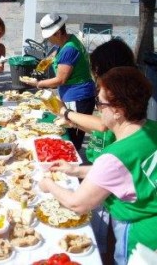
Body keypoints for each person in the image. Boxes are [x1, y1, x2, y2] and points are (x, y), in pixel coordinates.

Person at [39, 66, 157, 265]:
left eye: (100, 104)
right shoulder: (151, 130)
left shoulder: (114, 156)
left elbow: (78, 203)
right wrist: (76, 169)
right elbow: (128, 174)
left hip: (140, 239)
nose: (98, 109)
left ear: (118, 111)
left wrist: (48, 184)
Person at [54, 39, 137, 256]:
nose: (95, 76)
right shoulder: (118, 92)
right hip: (104, 166)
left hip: (112, 172)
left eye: (96, 71)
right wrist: (72, 122)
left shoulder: (120, 96)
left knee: (110, 227)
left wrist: (66, 113)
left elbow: (102, 125)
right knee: (109, 227)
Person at [24, 13, 96, 150]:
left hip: (78, 97)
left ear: (57, 33)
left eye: (49, 37)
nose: (48, 41)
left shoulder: (69, 49)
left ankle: (72, 167)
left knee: (71, 139)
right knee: (70, 133)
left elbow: (60, 79)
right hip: (77, 95)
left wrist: (38, 84)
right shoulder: (68, 41)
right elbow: (53, 57)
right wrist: (41, 67)